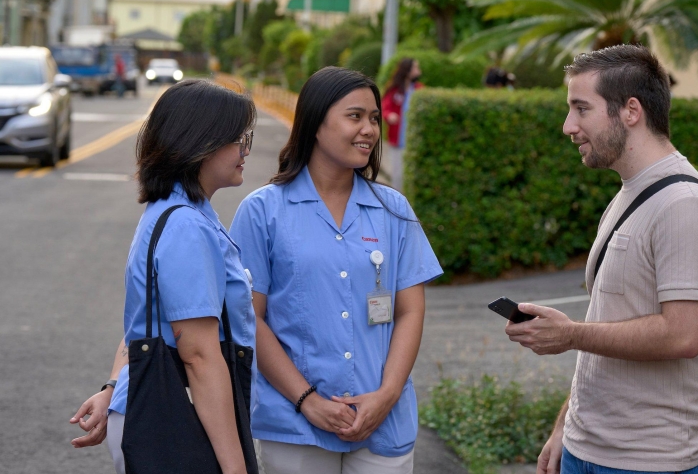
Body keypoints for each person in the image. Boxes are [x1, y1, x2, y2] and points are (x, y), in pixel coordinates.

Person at [505, 45, 698, 474]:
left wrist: (570, 335)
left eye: (581, 108)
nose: (568, 126)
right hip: (588, 447)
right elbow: (605, 321)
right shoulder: (630, 191)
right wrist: (564, 426)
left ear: (630, 111)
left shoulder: (684, 204)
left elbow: (683, 335)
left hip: (654, 460)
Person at [229, 66, 442, 474]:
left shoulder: (393, 210)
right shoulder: (263, 212)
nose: (369, 129)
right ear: (314, 122)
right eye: (355, 116)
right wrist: (308, 401)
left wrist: (386, 395)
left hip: (383, 423)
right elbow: (249, 319)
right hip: (295, 424)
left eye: (375, 118)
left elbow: (409, 311)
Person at [69, 79, 257, 474]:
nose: (244, 151)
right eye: (237, 139)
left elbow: (148, 317)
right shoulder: (187, 225)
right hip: (179, 416)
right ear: (199, 143)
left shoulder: (170, 209)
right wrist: (237, 468)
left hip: (156, 405)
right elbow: (201, 356)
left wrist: (113, 387)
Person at [380, 58, 423, 190]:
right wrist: (389, 115)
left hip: (415, 140)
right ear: (407, 71)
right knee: (398, 174)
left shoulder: (419, 89)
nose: (418, 71)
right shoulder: (395, 90)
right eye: (415, 68)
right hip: (397, 140)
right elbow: (384, 107)